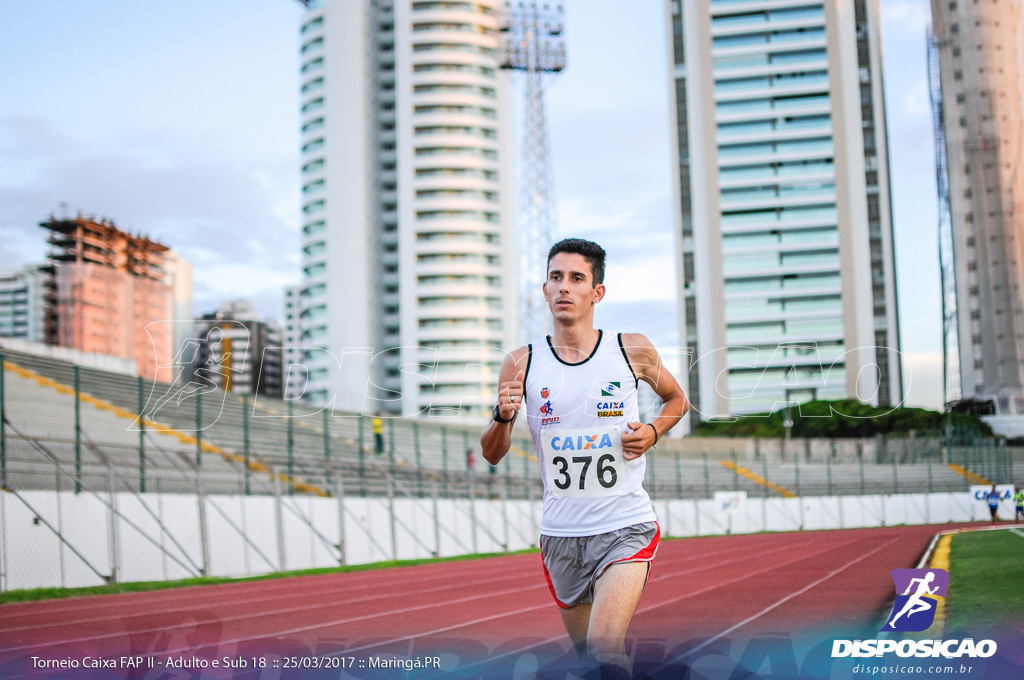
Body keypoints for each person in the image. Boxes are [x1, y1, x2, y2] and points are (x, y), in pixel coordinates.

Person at [481, 238, 688, 678]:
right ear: (544, 288)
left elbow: (677, 400)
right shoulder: (521, 362)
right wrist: (502, 416)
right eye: (556, 278)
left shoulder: (630, 349)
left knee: (605, 646)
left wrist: (653, 431)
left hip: (625, 526)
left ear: (598, 292)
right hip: (561, 536)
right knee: (592, 662)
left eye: (577, 279)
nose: (564, 288)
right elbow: (492, 453)